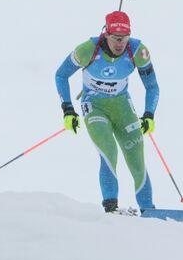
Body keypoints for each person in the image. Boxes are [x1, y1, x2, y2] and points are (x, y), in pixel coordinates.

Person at [54, 11, 160, 213]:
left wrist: (149, 114)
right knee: (109, 150)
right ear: (106, 34)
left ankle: (149, 212)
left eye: (124, 38)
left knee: (137, 158)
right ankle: (111, 207)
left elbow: (152, 86)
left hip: (122, 106)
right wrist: (68, 109)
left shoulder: (138, 51)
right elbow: (61, 75)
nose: (120, 43)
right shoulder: (87, 50)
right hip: (95, 106)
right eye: (116, 38)